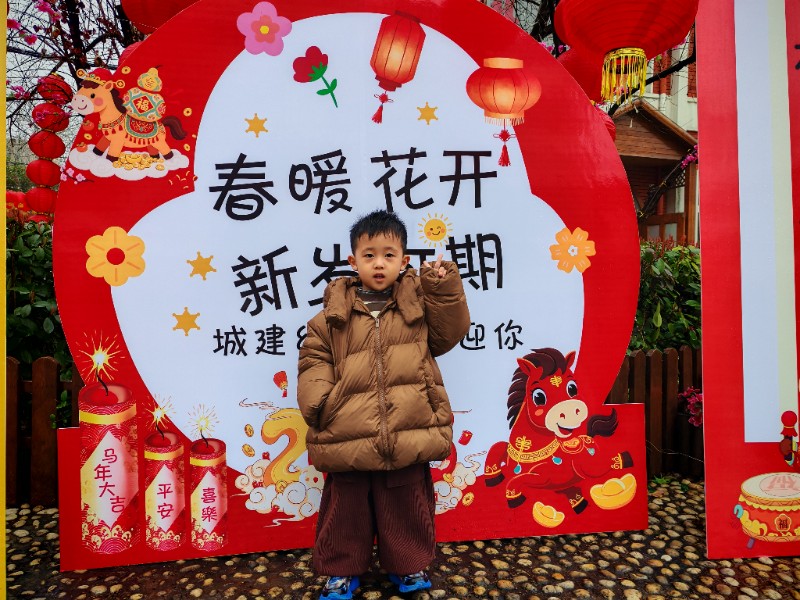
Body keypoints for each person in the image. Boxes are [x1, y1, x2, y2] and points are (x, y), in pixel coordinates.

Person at [297, 209, 470, 599]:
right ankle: (340, 571)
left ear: (404, 260)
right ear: (353, 261)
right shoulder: (331, 317)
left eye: (389, 255)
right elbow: (313, 360)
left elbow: (450, 332)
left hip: (408, 424)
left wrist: (441, 287)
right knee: (346, 509)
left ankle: (408, 566)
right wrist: (322, 404)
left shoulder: (417, 308)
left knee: (406, 503)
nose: (379, 264)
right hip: (347, 430)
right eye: (369, 255)